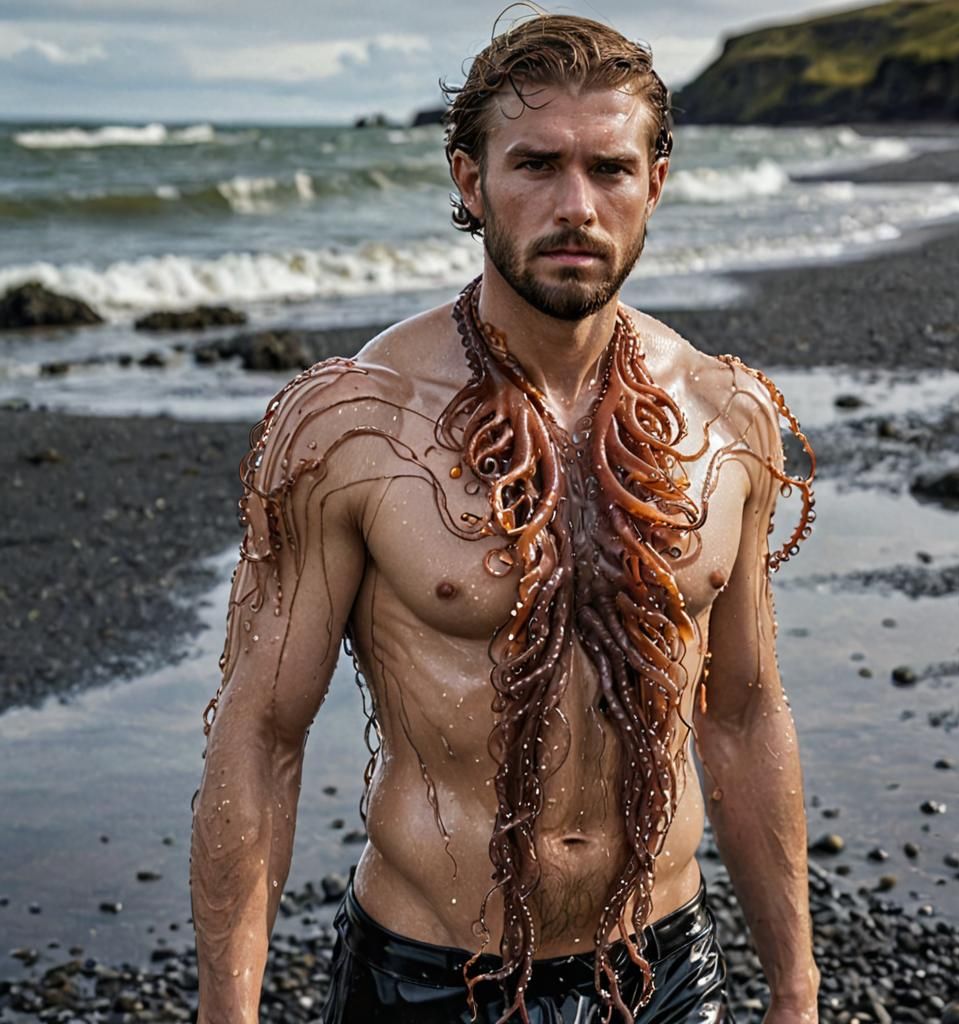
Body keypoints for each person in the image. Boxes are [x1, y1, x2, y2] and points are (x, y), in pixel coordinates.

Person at [190, 11, 820, 1024]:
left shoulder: (726, 413)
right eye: (535, 164)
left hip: (662, 965)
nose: (575, 204)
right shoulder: (353, 425)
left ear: (654, 182)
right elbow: (261, 732)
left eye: (609, 168)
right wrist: (228, 1010)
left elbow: (741, 712)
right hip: (430, 976)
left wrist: (796, 987)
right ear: (469, 181)